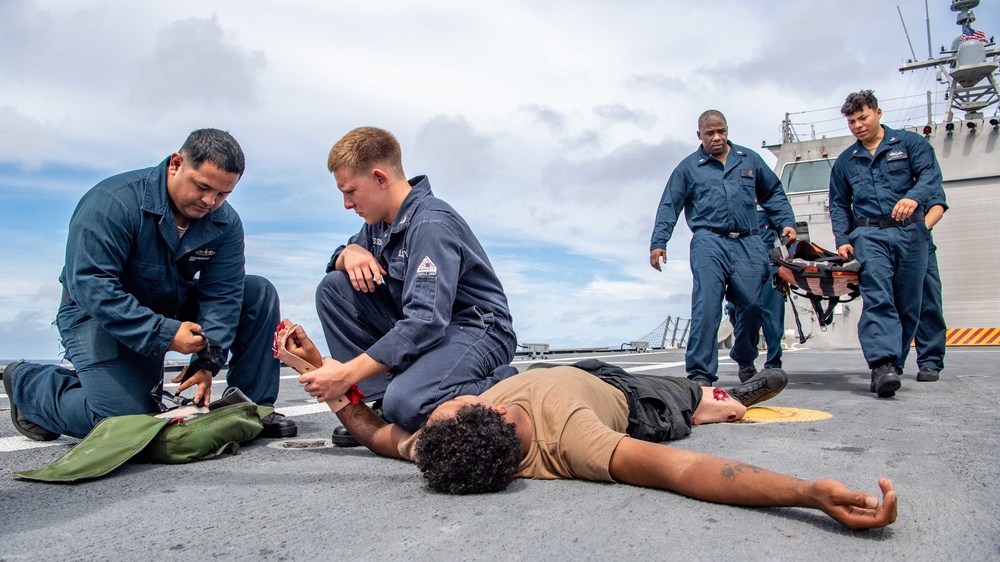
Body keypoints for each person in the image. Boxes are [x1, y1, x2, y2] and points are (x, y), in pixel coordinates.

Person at [282, 324, 896, 531]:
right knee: (696, 404)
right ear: (490, 412)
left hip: (564, 368)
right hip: (624, 396)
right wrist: (809, 493)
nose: (432, 410)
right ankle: (725, 398)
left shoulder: (444, 444)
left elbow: (374, 433)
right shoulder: (575, 439)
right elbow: (686, 471)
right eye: (448, 407)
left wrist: (318, 371)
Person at [2, 129, 296, 441]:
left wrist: (206, 362)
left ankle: (252, 408)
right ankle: (29, 384)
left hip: (168, 307)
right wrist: (166, 334)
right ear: (176, 164)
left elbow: (222, 295)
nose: (210, 201)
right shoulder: (112, 202)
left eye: (223, 194)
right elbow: (92, 284)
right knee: (125, 423)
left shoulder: (225, 222)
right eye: (203, 187)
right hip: (96, 315)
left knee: (258, 293)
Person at [314, 126, 517, 437]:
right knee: (335, 289)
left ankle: (506, 382)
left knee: (409, 404)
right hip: (436, 331)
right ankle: (381, 401)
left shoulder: (430, 223)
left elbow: (425, 322)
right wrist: (349, 253)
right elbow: (340, 263)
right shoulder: (378, 225)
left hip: (478, 329)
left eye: (350, 191)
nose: (346, 204)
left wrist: (346, 374)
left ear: (380, 178)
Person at [650, 110, 796, 386]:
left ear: (727, 130)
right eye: (710, 133)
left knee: (753, 305)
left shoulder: (749, 159)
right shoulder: (688, 168)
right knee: (707, 305)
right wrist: (659, 242)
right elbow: (670, 205)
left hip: (749, 242)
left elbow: (773, 193)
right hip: (709, 241)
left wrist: (786, 222)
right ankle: (701, 374)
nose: (717, 138)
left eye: (721, 132)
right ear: (699, 135)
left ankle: (744, 357)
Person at [828, 90, 945, 397]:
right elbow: (839, 204)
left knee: (910, 302)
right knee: (878, 297)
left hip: (911, 233)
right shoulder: (845, 162)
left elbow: (931, 177)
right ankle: (882, 366)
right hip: (869, 235)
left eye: (863, 118)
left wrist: (914, 198)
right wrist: (842, 239)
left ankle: (898, 362)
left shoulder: (910, 144)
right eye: (852, 121)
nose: (857, 126)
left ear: (878, 113)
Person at [728, 209, 787, 380]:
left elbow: (785, 228)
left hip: (769, 257)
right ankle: (745, 360)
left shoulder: (767, 196)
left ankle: (773, 363)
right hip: (740, 257)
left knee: (772, 314)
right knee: (734, 308)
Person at [913, 203, 947, 382]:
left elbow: (937, 206)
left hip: (919, 241)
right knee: (887, 302)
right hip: (881, 241)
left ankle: (930, 361)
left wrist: (918, 231)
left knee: (929, 302)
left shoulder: (921, 176)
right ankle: (889, 362)